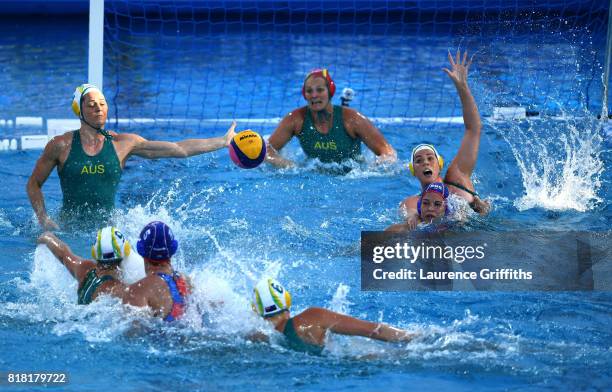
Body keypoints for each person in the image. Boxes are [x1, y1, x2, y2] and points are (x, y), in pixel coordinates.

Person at [27, 84, 238, 230]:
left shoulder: (124, 143)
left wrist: (222, 141)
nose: (99, 108)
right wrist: (43, 217)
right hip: (68, 228)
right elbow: (34, 184)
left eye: (102, 103)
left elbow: (178, 149)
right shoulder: (60, 145)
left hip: (108, 228)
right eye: (91, 105)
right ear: (79, 110)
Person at [400, 50, 490, 230]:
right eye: (418, 160)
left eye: (430, 158)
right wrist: (414, 218)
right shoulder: (413, 202)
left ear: (439, 165)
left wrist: (462, 87)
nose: (425, 162)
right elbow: (410, 216)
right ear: (413, 170)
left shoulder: (457, 178)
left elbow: (473, 130)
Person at [265, 69, 396, 167]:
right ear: (305, 95)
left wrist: (376, 169)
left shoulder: (352, 119)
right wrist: (288, 165)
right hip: (313, 176)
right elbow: (267, 150)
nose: (314, 95)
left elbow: (387, 152)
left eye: (320, 90)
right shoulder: (295, 119)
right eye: (309, 91)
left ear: (330, 92)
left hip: (352, 177)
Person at [251, 278, 416, 355]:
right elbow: (374, 330)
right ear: (287, 299)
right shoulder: (311, 317)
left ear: (257, 311)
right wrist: (414, 337)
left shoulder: (258, 337)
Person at [37, 226, 130, 304]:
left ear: (95, 253)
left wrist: (46, 237)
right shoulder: (119, 290)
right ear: (125, 253)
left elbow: (63, 253)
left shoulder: (85, 269)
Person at [121, 221, 191, 322]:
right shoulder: (187, 282)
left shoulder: (137, 291)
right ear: (172, 250)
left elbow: (134, 333)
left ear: (141, 250)